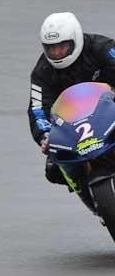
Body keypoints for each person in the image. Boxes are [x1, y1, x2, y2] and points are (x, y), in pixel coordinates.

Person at [29, 12, 115, 212]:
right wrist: (45, 135)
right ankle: (96, 205)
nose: (57, 53)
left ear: (76, 39)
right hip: (76, 125)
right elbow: (37, 108)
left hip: (110, 110)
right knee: (54, 168)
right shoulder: (42, 71)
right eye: (52, 49)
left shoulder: (102, 48)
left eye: (62, 47)